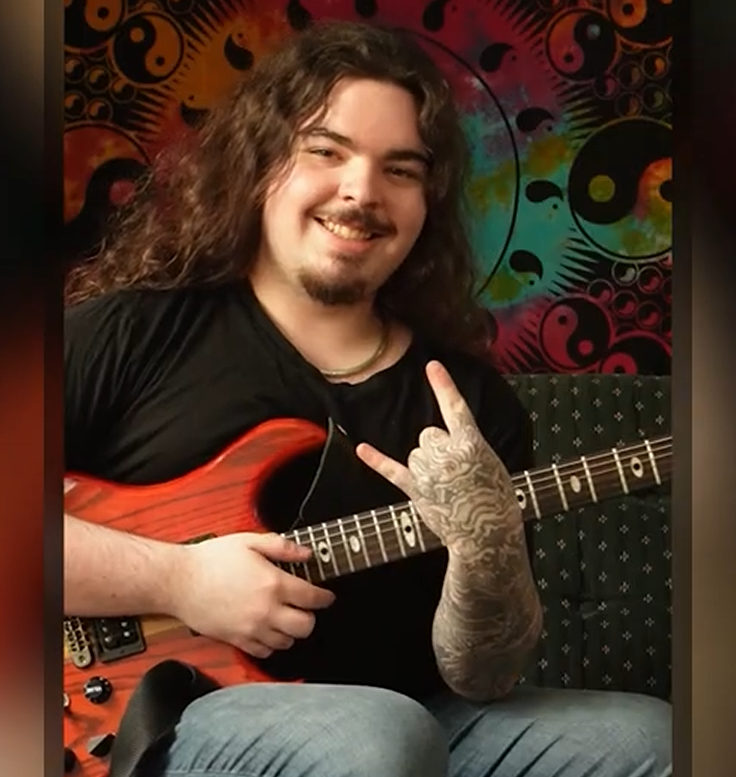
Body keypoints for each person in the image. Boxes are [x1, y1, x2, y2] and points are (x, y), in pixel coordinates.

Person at [63, 19, 672, 777]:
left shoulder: (469, 401)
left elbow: (483, 676)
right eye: (326, 151)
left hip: (419, 721)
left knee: (651, 739)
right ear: (262, 164)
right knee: (375, 736)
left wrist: (486, 548)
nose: (361, 192)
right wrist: (178, 580)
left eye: (402, 169)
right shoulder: (132, 332)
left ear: (427, 203)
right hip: (158, 712)